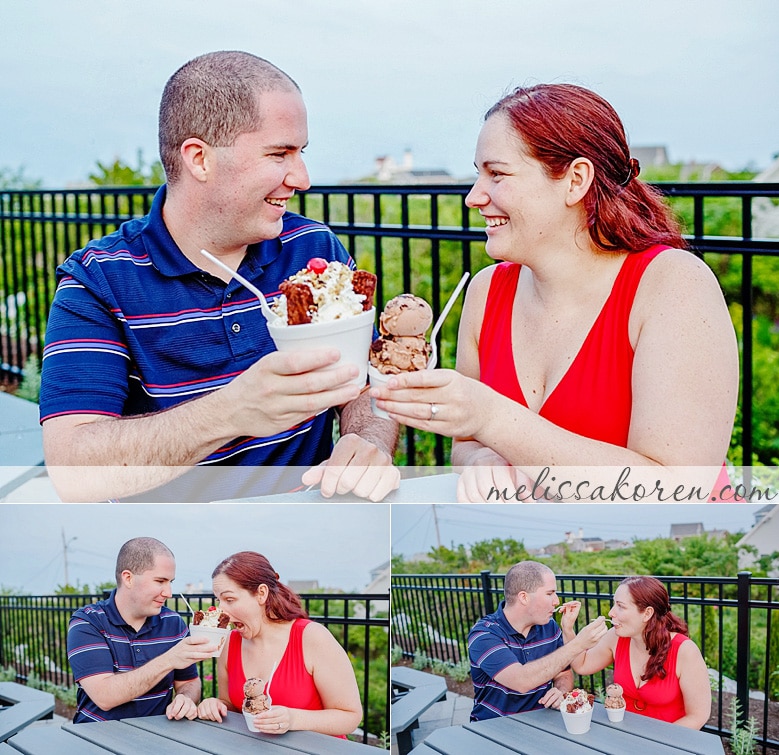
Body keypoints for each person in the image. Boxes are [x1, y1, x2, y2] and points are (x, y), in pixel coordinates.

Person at [39, 50, 398, 503]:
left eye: (301, 153)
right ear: (199, 159)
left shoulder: (315, 249)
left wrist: (367, 440)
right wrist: (231, 412)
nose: (302, 178)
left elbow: (366, 384)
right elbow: (73, 470)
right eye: (279, 153)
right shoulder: (99, 280)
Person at [369, 83, 739, 502]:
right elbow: (467, 442)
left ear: (575, 180)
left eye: (498, 173)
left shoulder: (673, 285)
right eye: (478, 173)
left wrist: (493, 418)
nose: (474, 196)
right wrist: (479, 461)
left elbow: (678, 488)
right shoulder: (486, 291)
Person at [196, 551, 362, 736]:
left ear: (261, 593)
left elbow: (350, 717)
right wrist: (216, 705)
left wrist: (293, 719)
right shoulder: (228, 643)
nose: (221, 611)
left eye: (229, 599)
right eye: (219, 600)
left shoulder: (313, 637)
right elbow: (229, 705)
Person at [66, 537, 215, 723]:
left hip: (158, 736)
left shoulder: (173, 622)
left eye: (170, 582)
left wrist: (185, 698)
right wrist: (169, 660)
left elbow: (189, 682)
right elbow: (104, 697)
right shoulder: (88, 622)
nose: (168, 592)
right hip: (97, 738)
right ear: (128, 578)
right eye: (160, 581)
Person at [560, 575, 711, 729]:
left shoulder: (685, 650)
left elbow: (698, 715)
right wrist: (568, 628)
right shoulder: (616, 637)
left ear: (647, 613)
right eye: (614, 604)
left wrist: (656, 745)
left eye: (621, 606)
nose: (611, 612)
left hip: (668, 743)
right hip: (623, 735)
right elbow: (582, 665)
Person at [467, 560, 608, 721]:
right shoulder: (484, 634)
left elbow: (564, 673)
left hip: (541, 723)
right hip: (492, 728)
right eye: (549, 593)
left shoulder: (549, 627)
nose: (556, 601)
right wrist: (578, 644)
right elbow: (521, 681)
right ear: (524, 597)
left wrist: (560, 691)